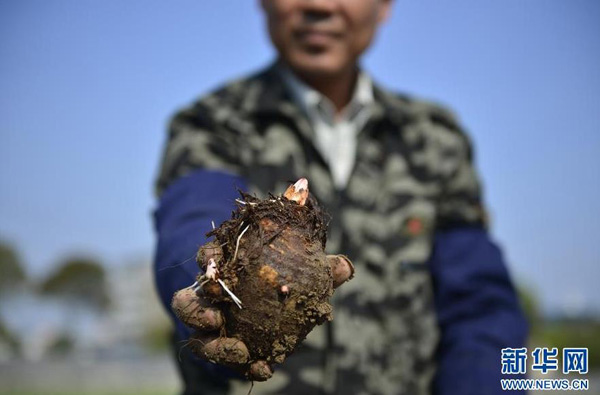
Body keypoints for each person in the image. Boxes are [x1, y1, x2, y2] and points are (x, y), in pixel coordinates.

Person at [154, 1, 528, 394]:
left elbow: (479, 305)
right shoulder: (213, 124)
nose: (320, 5)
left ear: (384, 7)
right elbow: (193, 215)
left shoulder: (434, 141)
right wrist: (212, 289)